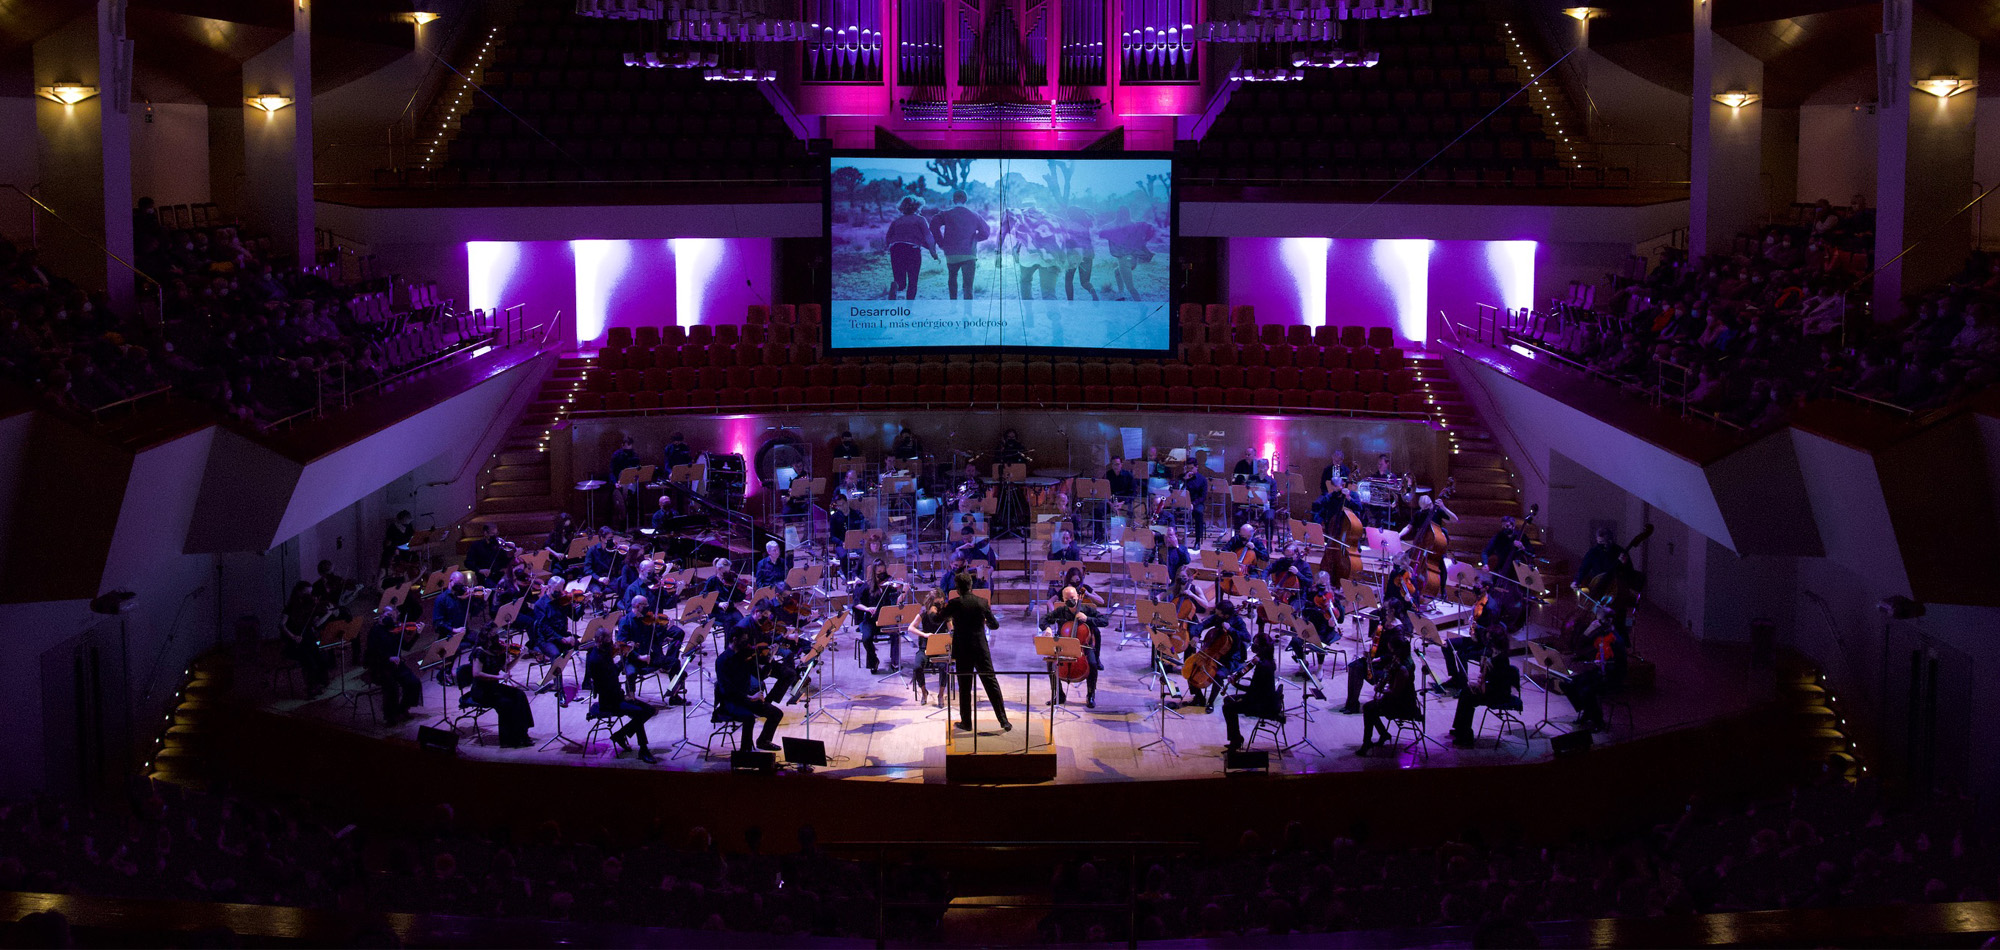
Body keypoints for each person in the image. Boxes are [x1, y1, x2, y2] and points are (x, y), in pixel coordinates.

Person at [943, 572, 1011, 731]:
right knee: (991, 683)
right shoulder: (982, 602)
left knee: (965, 687)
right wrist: (985, 620)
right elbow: (995, 625)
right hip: (980, 648)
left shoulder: (954, 603)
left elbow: (936, 619)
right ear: (971, 586)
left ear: (957, 588)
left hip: (962, 649)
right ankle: (1003, 721)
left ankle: (966, 723)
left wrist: (932, 610)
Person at [585, 630, 657, 763]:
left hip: (617, 695)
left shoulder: (604, 652)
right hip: (609, 701)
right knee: (639, 713)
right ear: (600, 640)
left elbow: (613, 673)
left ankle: (620, 735)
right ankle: (643, 750)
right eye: (609, 641)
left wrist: (624, 656)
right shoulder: (596, 659)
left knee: (650, 710)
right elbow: (607, 683)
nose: (612, 643)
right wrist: (624, 697)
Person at [464, 627, 534, 748]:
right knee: (505, 703)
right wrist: (499, 678)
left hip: (493, 687)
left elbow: (505, 668)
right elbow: (476, 674)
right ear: (487, 639)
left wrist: (519, 656)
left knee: (519, 695)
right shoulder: (480, 652)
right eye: (494, 636)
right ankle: (508, 740)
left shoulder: (497, 651)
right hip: (481, 691)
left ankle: (522, 733)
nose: (498, 638)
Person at [716, 633, 784, 751]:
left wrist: (769, 659)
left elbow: (761, 676)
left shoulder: (744, 656)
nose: (747, 643)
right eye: (744, 640)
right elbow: (726, 689)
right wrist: (749, 697)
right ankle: (745, 752)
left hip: (747, 699)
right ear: (734, 638)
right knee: (749, 718)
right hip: (731, 702)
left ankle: (763, 741)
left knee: (776, 713)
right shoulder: (723, 660)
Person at [1356, 627, 1416, 755]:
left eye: (1390, 648)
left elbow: (1396, 693)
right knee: (1370, 708)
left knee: (1369, 708)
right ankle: (1383, 734)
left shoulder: (1402, 668)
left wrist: (1381, 690)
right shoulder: (1398, 660)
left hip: (1403, 705)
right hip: (1398, 700)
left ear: (1395, 649)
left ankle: (1367, 743)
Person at [1042, 586, 1105, 707]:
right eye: (1067, 598)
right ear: (1063, 599)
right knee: (1050, 663)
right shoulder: (1060, 611)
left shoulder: (1087, 609)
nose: (1070, 600)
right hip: (1064, 645)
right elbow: (1044, 619)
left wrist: (1087, 619)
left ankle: (1090, 695)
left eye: (1072, 597)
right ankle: (1059, 695)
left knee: (1092, 663)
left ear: (1077, 596)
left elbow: (1104, 620)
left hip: (1083, 647)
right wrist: (1047, 627)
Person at [1450, 640, 1521, 747]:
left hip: (1499, 694)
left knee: (1469, 698)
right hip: (1490, 689)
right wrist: (1480, 681)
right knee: (1465, 691)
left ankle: (1466, 738)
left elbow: (1498, 682)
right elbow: (1486, 678)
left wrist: (1482, 682)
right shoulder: (1492, 655)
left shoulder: (1502, 659)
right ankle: (1459, 729)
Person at [1223, 633, 1282, 751]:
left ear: (1263, 647)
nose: (1253, 646)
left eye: (1256, 644)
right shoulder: (1268, 660)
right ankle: (1236, 738)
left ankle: (1236, 740)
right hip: (1262, 697)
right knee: (1227, 700)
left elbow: (1253, 690)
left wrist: (1236, 685)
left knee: (1228, 708)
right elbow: (1255, 689)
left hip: (1262, 704)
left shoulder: (1263, 666)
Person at [362, 608, 420, 725]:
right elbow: (372, 652)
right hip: (379, 665)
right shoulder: (375, 630)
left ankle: (403, 708)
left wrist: (417, 634)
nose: (390, 618)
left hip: (396, 665)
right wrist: (389, 658)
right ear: (382, 615)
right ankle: (390, 716)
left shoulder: (395, 630)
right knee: (392, 687)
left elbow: (406, 647)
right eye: (388, 615)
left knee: (414, 682)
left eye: (393, 617)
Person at [930, 190, 990, 300]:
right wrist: (975, 239)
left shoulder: (946, 214)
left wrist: (941, 243)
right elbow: (986, 232)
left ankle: (953, 306)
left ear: (953, 200)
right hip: (969, 253)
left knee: (952, 278)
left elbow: (933, 224)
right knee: (968, 285)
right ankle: (967, 313)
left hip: (951, 253)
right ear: (966, 200)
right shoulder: (975, 215)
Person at [850, 561, 903, 673]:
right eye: (879, 572)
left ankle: (895, 662)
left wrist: (902, 590)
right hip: (871, 620)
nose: (882, 574)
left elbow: (897, 602)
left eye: (883, 571)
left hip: (886, 620)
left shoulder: (889, 585)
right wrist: (867, 609)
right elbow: (856, 603)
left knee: (895, 633)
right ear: (874, 572)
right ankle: (874, 661)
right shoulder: (866, 586)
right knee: (866, 638)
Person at [885, 196, 938, 300]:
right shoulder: (920, 220)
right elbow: (928, 236)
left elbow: (888, 238)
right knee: (913, 281)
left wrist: (890, 247)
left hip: (896, 249)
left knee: (900, 282)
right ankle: (909, 309)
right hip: (912, 250)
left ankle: (895, 285)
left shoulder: (897, 221)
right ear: (917, 207)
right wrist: (932, 251)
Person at [1100, 206, 1154, 301]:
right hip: (1133, 260)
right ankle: (1121, 294)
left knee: (1130, 287)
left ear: (1118, 214)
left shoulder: (1117, 226)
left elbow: (1102, 232)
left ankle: (1142, 306)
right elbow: (1149, 230)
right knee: (1117, 272)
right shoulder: (1134, 225)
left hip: (1124, 260)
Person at [906, 600, 949, 705]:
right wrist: (925, 635)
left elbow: (952, 631)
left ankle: (940, 695)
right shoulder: (924, 614)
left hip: (940, 649)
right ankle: (924, 691)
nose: (932, 609)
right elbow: (910, 628)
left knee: (944, 666)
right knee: (917, 667)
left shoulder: (945, 616)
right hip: (924, 648)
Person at [1483, 515, 1531, 579]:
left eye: (1507, 526)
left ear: (1513, 526)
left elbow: (1531, 553)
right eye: (1503, 526)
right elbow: (1485, 552)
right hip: (1501, 571)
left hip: (1517, 574)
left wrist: (1522, 547)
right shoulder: (1498, 537)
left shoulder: (1522, 537)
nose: (1505, 528)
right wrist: (1485, 564)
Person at [1181, 464, 1209, 543]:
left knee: (1198, 513)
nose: (1190, 470)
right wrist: (1185, 480)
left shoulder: (1202, 479)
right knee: (1171, 512)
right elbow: (1178, 492)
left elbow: (1203, 496)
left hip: (1197, 503)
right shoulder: (1183, 477)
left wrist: (1193, 503)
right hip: (1184, 502)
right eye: (1188, 468)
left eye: (1192, 468)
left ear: (1197, 467)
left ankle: (1197, 541)